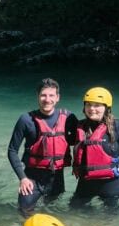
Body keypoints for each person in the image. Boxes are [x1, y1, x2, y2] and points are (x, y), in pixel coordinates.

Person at [7, 78, 74, 217]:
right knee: (24, 212)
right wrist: (22, 178)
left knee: (52, 212)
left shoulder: (68, 118)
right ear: (38, 96)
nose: (47, 99)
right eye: (43, 95)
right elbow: (12, 150)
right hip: (32, 179)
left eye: (51, 95)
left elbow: (82, 139)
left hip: (57, 179)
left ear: (57, 98)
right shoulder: (26, 120)